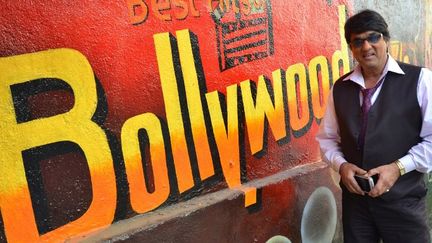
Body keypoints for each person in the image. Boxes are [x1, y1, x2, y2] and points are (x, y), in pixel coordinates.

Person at [316, 9, 432, 243]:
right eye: (357, 41)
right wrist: (342, 166)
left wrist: (398, 168)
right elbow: (327, 139)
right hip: (356, 206)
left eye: (373, 37)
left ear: (386, 40)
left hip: (403, 203)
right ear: (351, 48)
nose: (366, 46)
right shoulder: (340, 88)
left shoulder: (421, 80)